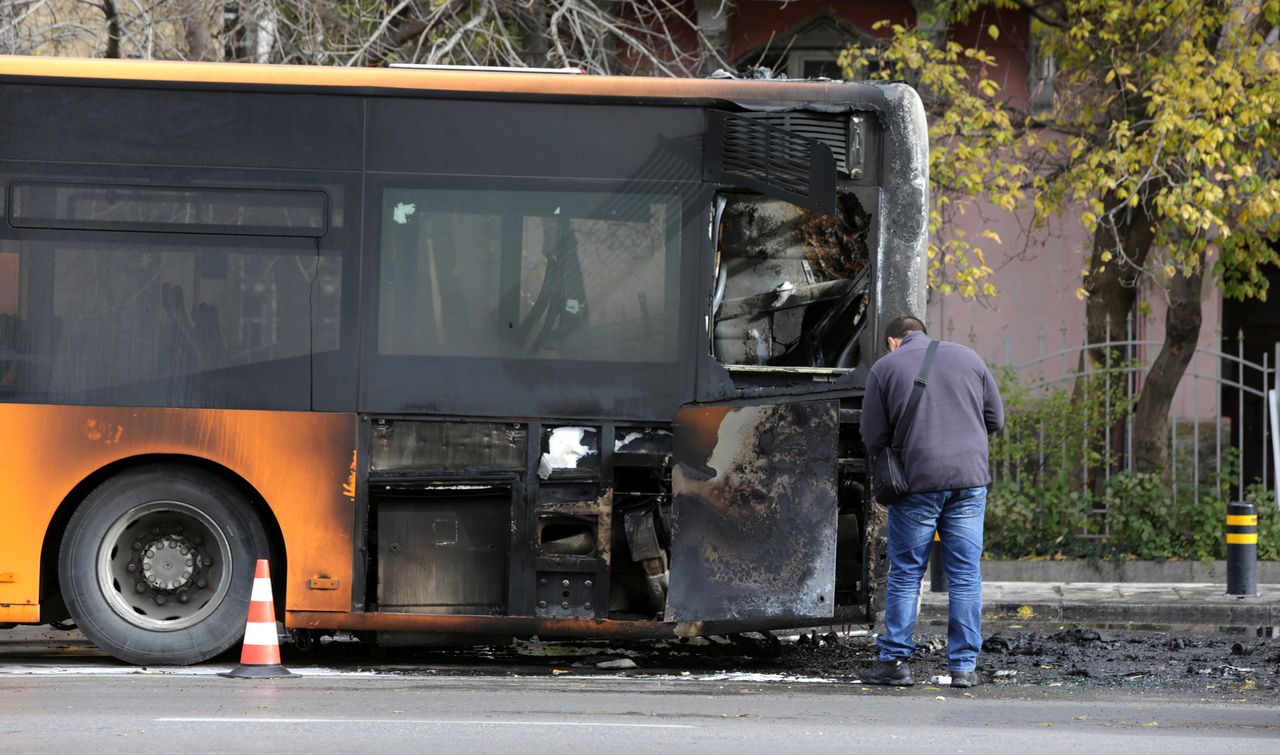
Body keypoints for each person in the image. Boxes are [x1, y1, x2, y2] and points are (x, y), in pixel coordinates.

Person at [858, 314, 1004, 688]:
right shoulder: (969, 357)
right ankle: (963, 668)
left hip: (917, 482)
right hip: (970, 480)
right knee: (965, 575)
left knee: (907, 573)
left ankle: (895, 663)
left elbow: (872, 435)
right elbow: (995, 419)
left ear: (893, 341)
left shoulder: (884, 367)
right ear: (923, 332)